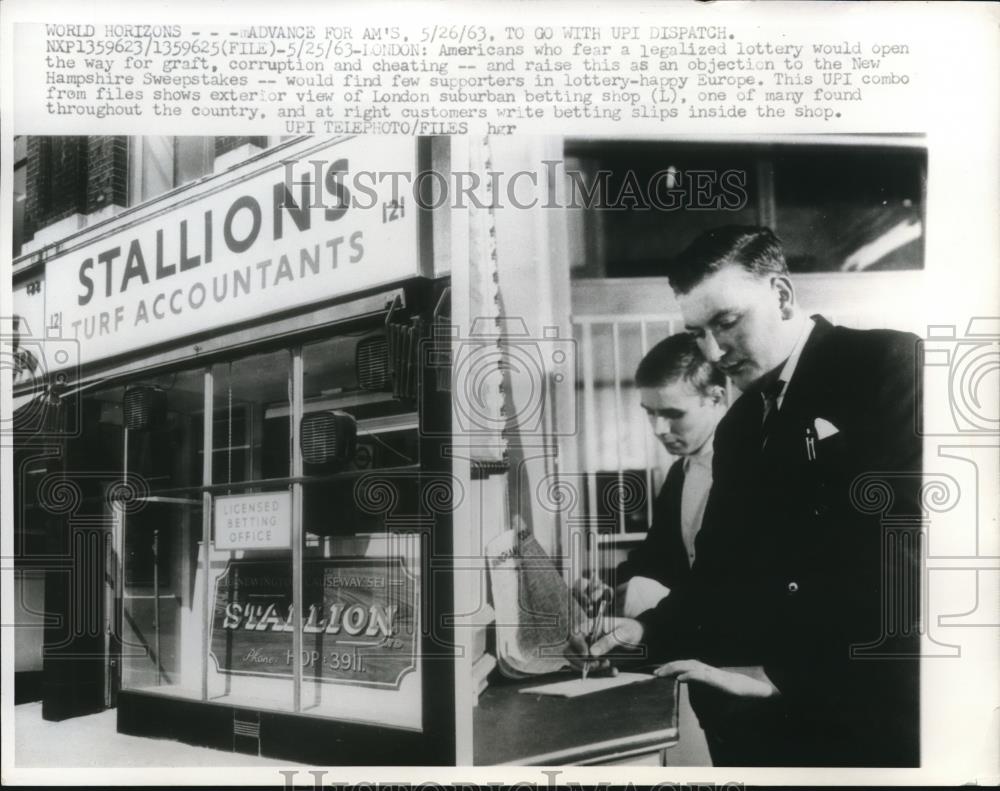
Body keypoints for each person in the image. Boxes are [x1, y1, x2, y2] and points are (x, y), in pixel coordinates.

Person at [567, 226, 921, 767]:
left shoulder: (888, 366)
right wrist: (644, 628)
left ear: (781, 295)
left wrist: (783, 680)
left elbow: (905, 567)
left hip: (861, 715)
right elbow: (717, 575)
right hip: (758, 720)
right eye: (697, 332)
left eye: (726, 323)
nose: (714, 350)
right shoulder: (738, 426)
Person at [573, 333, 727, 618]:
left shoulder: (756, 469)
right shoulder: (680, 472)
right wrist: (606, 589)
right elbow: (656, 558)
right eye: (650, 413)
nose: (658, 428)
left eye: (673, 413)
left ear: (716, 398)